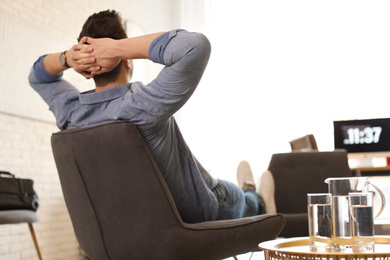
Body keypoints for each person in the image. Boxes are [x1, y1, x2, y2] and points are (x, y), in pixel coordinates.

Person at [28, 10, 272, 223]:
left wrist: (67, 58)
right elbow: (195, 45)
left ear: (87, 70)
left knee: (213, 180)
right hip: (193, 214)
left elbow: (37, 76)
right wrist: (117, 48)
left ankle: (251, 191)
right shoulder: (141, 104)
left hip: (126, 226)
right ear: (127, 62)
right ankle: (257, 198)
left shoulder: (71, 113)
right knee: (235, 196)